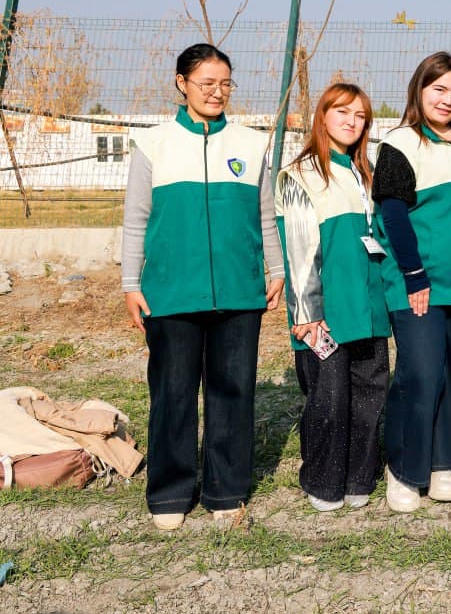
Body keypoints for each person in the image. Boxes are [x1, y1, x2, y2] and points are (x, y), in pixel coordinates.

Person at [122, 43, 285, 530]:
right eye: (206, 83)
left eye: (225, 83)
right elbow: (135, 220)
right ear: (182, 83)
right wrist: (131, 281)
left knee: (233, 391)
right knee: (172, 392)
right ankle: (170, 493)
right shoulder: (153, 144)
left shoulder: (251, 144)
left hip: (239, 290)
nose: (217, 92)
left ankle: (225, 490)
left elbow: (265, 216)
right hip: (171, 292)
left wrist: (274, 270)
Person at [372, 53, 451, 511]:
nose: (448, 100)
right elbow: (393, 214)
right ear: (420, 89)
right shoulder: (401, 143)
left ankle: (443, 461)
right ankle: (404, 468)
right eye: (439, 89)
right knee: (420, 373)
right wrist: (415, 273)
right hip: (419, 281)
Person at [277, 82, 395, 512]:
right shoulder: (299, 175)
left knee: (369, 392)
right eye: (342, 112)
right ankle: (324, 481)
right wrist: (307, 313)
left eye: (360, 115)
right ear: (322, 116)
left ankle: (359, 477)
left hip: (368, 308)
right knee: (328, 398)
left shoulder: (367, 172)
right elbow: (299, 249)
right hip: (325, 314)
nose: (351, 121)